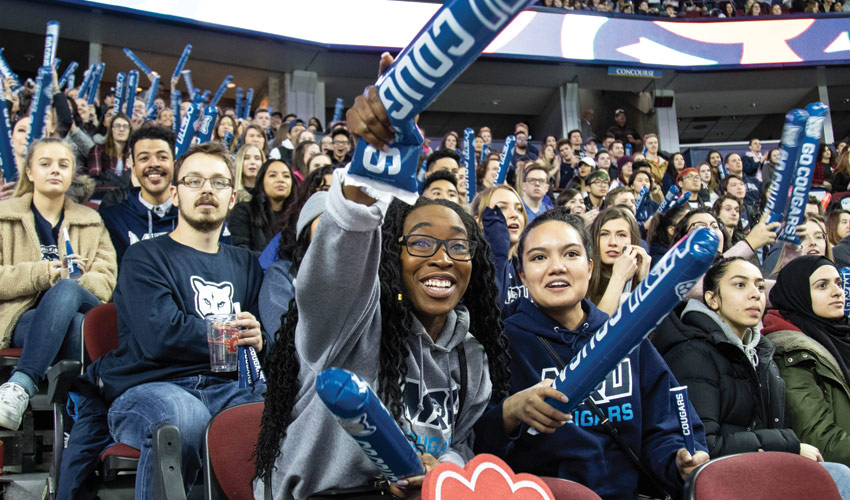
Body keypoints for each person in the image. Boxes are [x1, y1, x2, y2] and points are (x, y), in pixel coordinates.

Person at [253, 167, 511, 498]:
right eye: (420, 242)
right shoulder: (348, 323)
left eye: (459, 246)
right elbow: (344, 251)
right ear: (392, 255)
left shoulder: (471, 354)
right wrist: (369, 172)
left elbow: (458, 442)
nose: (444, 259)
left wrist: (444, 470)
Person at [66, 142, 268, 499]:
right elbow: (161, 335)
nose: (207, 189)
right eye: (194, 181)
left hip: (228, 387)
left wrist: (260, 338)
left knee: (279, 417)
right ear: (175, 194)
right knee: (183, 416)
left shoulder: (248, 264)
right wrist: (234, 334)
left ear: (232, 197)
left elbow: (262, 334)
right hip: (151, 387)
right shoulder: (145, 255)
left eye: (219, 182)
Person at [474, 208, 709, 499]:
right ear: (521, 274)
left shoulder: (627, 335)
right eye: (539, 257)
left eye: (570, 254)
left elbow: (665, 425)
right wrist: (509, 412)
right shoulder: (501, 343)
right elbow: (475, 448)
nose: (556, 267)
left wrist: (678, 461)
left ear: (589, 266)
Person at [653, 257, 850, 494]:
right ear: (712, 298)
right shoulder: (692, 353)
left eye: (759, 286)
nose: (755, 294)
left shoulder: (761, 352)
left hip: (758, 470)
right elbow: (705, 444)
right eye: (740, 285)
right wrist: (790, 445)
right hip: (722, 481)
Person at [0, 138, 117, 430]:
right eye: (45, 164)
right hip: (23, 319)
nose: (55, 170)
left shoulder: (91, 220)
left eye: (63, 165)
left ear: (72, 173)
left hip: (84, 301)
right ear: (29, 172)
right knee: (76, 327)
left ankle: (21, 385)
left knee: (67, 291)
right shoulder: (4, 217)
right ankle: (80, 420)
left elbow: (105, 281)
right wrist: (45, 273)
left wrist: (73, 280)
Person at [765, 256, 850, 466]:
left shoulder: (841, 337)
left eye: (838, 283)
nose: (837, 291)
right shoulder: (791, 354)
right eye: (822, 286)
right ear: (798, 294)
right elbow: (821, 440)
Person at [98, 126, 178, 265]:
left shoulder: (194, 216)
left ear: (174, 165)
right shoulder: (112, 219)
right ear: (134, 168)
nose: (153, 164)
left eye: (162, 157)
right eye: (144, 158)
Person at [258, 191, 327, 336]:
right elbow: (282, 334)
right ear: (306, 230)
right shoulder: (281, 274)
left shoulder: (361, 278)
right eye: (325, 220)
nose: (334, 229)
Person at [588, 207, 650, 315]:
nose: (613, 242)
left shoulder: (641, 278)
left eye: (621, 235)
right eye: (604, 234)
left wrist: (645, 282)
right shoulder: (583, 280)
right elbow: (597, 329)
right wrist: (619, 277)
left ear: (632, 240)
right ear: (595, 239)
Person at [228, 159, 293, 254]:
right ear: (261, 181)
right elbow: (240, 251)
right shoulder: (243, 211)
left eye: (286, 176)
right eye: (272, 175)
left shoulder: (298, 215)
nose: (281, 180)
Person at [86, 112, 132, 194]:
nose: (121, 129)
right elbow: (95, 178)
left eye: (125, 126)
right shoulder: (98, 149)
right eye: (117, 126)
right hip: (103, 196)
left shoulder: (133, 153)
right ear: (111, 129)